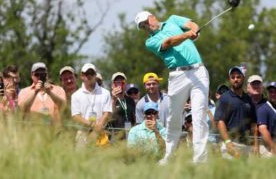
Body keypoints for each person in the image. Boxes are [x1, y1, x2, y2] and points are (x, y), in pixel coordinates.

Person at [135, 11, 209, 163]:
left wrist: (194, 30)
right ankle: (168, 157)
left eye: (146, 22)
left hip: (199, 71)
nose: (146, 27)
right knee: (173, 118)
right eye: (143, 27)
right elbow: (169, 42)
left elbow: (191, 24)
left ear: (152, 17)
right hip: (177, 76)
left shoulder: (173, 20)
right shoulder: (150, 42)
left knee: (199, 114)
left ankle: (200, 160)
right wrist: (188, 35)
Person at [214, 66, 258, 159]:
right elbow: (220, 122)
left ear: (243, 78)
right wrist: (228, 143)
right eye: (233, 77)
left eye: (238, 77)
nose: (235, 79)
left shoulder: (249, 100)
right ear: (230, 79)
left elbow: (253, 124)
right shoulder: (224, 98)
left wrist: (255, 143)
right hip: (231, 145)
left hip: (246, 146)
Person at [71, 63, 112, 146]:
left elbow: (107, 112)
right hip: (83, 132)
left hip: (101, 131)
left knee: (103, 158)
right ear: (82, 76)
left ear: (95, 75)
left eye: (92, 73)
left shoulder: (105, 93)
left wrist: (98, 128)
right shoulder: (75, 95)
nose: (89, 76)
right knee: (81, 159)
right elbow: (75, 116)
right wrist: (92, 125)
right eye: (86, 74)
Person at [109, 72, 136, 140]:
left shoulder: (130, 100)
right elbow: (110, 118)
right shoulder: (108, 99)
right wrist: (113, 101)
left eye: (122, 83)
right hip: (115, 136)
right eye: (117, 83)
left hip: (130, 135)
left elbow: (134, 119)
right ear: (112, 85)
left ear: (126, 85)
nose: (120, 85)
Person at [257, 82, 276, 156]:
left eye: (275, 91)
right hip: (268, 147)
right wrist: (273, 147)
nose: (273, 94)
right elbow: (262, 129)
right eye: (271, 92)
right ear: (268, 93)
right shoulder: (263, 109)